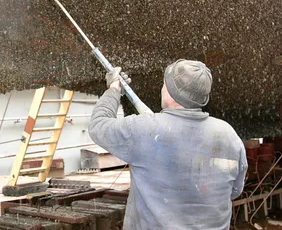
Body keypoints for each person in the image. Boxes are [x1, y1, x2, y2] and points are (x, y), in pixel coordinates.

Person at [88, 59, 247, 230]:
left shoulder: (146, 129)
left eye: (164, 84)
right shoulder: (228, 134)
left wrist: (114, 89)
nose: (162, 89)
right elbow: (235, 191)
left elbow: (98, 126)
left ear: (171, 92)